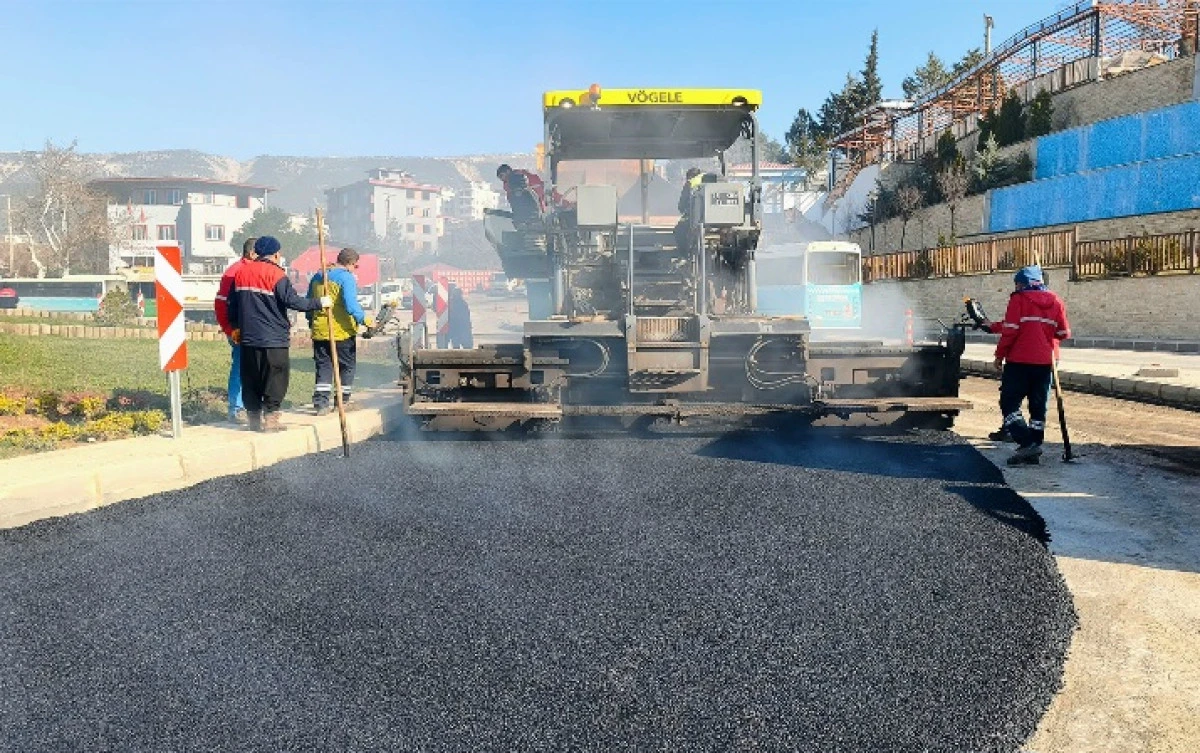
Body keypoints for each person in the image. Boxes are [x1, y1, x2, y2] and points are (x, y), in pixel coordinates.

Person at [227, 236, 331, 432]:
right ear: (276, 254)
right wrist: (320, 303)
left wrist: (235, 326)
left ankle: (254, 420)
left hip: (249, 337)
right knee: (276, 378)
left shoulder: (241, 273)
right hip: (273, 337)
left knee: (251, 378)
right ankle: (271, 419)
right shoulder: (277, 275)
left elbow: (232, 304)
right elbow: (293, 301)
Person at [982, 264, 1071, 465]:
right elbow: (1064, 333)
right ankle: (1034, 446)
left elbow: (1011, 330)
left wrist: (999, 355)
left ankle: (1026, 442)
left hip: (1019, 361)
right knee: (1038, 407)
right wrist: (1046, 335)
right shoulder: (1056, 300)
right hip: (1046, 362)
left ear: (1022, 283)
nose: (1015, 287)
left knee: (1009, 403)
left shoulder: (1019, 299)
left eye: (1016, 283)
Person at [306, 247, 372, 416]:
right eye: (355, 266)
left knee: (324, 366)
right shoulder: (346, 278)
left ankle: (321, 403)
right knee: (347, 367)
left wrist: (310, 322)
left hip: (320, 331)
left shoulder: (317, 276)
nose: (354, 269)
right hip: (341, 332)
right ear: (350, 263)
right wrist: (366, 320)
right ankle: (342, 401)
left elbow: (308, 304)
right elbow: (351, 306)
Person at [214, 236, 257, 424]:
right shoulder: (235, 272)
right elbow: (221, 303)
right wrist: (229, 329)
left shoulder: (254, 270)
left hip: (255, 328)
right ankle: (236, 408)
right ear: (251, 253)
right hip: (238, 329)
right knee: (240, 367)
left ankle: (251, 407)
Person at [674, 168, 704, 252]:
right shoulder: (713, 180)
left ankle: (684, 255)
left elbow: (682, 205)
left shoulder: (690, 183)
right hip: (717, 221)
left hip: (696, 219)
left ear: (690, 176)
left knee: (678, 231)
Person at [446, 284, 474, 349]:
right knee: (466, 347)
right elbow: (466, 317)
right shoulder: (462, 304)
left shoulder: (451, 304)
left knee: (457, 346)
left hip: (456, 328)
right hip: (461, 328)